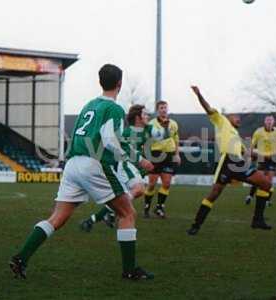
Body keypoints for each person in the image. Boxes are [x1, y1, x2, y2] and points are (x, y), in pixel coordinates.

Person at [10, 64, 155, 280]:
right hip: (93, 164)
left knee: (57, 217)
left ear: (100, 82)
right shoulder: (114, 109)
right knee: (128, 213)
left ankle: (21, 258)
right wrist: (139, 159)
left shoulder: (89, 105)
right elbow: (110, 140)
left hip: (73, 164)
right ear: (119, 83)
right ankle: (130, 270)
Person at [186, 86, 272, 235]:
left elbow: (248, 153)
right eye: (236, 116)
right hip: (227, 161)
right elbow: (207, 108)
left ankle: (257, 220)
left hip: (238, 163)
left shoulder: (236, 135)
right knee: (214, 194)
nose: (238, 119)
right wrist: (199, 94)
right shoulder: (221, 120)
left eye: (239, 118)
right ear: (229, 117)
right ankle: (196, 225)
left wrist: (266, 154)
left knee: (266, 184)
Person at [80, 104, 151, 232]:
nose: (148, 116)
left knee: (126, 195)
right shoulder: (129, 132)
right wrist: (140, 160)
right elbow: (124, 150)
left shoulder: (144, 131)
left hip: (133, 167)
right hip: (126, 164)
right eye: (145, 114)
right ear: (138, 117)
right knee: (139, 190)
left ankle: (92, 220)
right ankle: (111, 212)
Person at [245, 115, 276, 230]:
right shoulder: (258, 132)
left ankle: (262, 208)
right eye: (267, 120)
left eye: (271, 120)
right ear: (264, 122)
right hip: (262, 158)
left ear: (274, 122)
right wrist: (254, 154)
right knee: (261, 182)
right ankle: (256, 209)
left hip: (272, 159)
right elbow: (252, 146)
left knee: (268, 183)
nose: (269, 122)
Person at [143, 101, 181, 218]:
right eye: (161, 108)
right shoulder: (152, 124)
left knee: (167, 183)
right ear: (157, 110)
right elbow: (146, 141)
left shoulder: (173, 124)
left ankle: (159, 207)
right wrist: (146, 156)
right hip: (155, 155)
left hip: (169, 155)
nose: (164, 110)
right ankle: (147, 207)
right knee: (152, 184)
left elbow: (176, 140)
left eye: (165, 107)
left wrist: (177, 154)